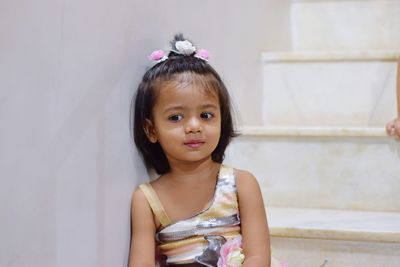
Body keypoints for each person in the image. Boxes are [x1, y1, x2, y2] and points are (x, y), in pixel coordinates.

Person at [128, 34, 271, 266]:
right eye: (176, 117)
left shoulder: (241, 184)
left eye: (206, 115)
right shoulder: (146, 200)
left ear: (221, 121)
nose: (194, 126)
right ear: (151, 130)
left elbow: (258, 256)